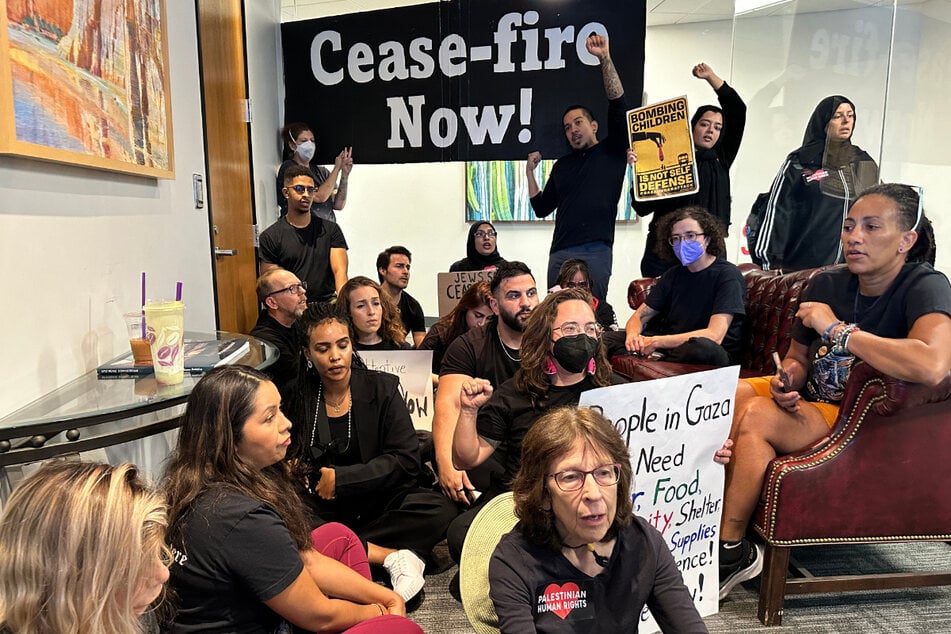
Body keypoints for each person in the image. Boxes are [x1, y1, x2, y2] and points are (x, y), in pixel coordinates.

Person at [718, 184, 951, 599]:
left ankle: (730, 550)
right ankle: (694, 522)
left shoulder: (925, 285)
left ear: (906, 240)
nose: (854, 237)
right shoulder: (826, 284)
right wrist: (786, 379)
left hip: (865, 425)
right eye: (848, 226)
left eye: (871, 226)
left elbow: (931, 365)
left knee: (758, 416)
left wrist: (836, 329)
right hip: (816, 406)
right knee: (726, 395)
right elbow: (797, 359)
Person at [163, 365, 418, 633]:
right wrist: (379, 613)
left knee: (337, 537)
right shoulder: (241, 517)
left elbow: (307, 559)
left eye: (280, 410)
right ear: (230, 436)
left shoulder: (202, 480)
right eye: (269, 418)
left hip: (263, 610)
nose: (287, 424)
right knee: (403, 630)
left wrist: (388, 597)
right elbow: (320, 616)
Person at [489, 406, 729, 633]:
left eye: (604, 472)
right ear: (543, 494)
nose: (594, 493)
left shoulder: (643, 541)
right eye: (571, 477)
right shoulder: (514, 561)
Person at [286, 303, 460, 602]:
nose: (335, 356)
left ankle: (341, 551)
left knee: (438, 509)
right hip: (323, 507)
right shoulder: (295, 395)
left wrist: (344, 478)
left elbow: (405, 459)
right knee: (285, 517)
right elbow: (287, 458)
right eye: (323, 348)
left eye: (342, 345)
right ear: (307, 354)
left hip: (381, 499)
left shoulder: (382, 388)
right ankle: (391, 556)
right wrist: (294, 468)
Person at [448, 287, 624, 562]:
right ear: (545, 337)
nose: (583, 336)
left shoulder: (616, 392)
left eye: (590, 329)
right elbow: (465, 458)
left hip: (594, 503)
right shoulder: (514, 395)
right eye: (570, 328)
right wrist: (469, 411)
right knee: (462, 535)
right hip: (527, 505)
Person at [0, 462, 169, 633]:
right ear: (69, 581)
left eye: (158, 555)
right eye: (135, 565)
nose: (163, 574)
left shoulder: (136, 615)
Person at [526, 33, 630, 304]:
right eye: (567, 127)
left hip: (597, 248)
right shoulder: (563, 166)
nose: (572, 129)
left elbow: (618, 104)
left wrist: (605, 58)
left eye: (578, 122)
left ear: (593, 126)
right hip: (560, 250)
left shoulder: (613, 150)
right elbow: (541, 208)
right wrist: (529, 174)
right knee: (555, 315)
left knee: (591, 313)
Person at [432, 261, 539, 509]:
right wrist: (446, 463)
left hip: (535, 445)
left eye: (531, 293)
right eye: (514, 295)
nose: (526, 303)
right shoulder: (469, 346)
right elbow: (449, 403)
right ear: (495, 305)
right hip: (484, 442)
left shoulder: (550, 341)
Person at [629, 63, 747, 277]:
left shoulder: (722, 158)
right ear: (691, 128)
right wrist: (639, 170)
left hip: (709, 252)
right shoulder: (669, 158)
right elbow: (642, 207)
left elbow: (738, 110)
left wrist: (711, 77)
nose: (711, 130)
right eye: (704, 124)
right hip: (665, 253)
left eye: (718, 127)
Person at [750, 95, 879, 271]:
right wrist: (769, 264)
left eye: (850, 115)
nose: (845, 121)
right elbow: (777, 211)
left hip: (849, 271)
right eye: (837, 116)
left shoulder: (862, 161)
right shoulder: (801, 160)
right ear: (824, 121)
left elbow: (877, 210)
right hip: (801, 269)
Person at [624, 207, 745, 366]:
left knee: (702, 348)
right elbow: (640, 316)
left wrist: (656, 342)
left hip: (709, 352)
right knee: (608, 339)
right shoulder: (673, 275)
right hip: (673, 347)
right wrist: (633, 338)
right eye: (676, 238)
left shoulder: (727, 275)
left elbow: (714, 335)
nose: (683, 243)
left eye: (690, 236)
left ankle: (659, 360)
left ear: (707, 239)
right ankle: (657, 360)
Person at [260, 164, 349, 303]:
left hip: (326, 303)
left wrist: (345, 306)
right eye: (299, 189)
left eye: (311, 190)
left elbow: (340, 273)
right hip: (290, 306)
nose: (306, 195)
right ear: (286, 192)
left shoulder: (331, 230)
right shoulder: (271, 236)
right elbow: (271, 283)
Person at [277, 122, 353, 222]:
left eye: (312, 141)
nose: (310, 145)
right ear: (292, 145)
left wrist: (344, 175)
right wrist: (337, 168)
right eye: (304, 141)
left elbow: (338, 205)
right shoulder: (289, 168)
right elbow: (319, 197)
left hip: (326, 233)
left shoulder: (322, 172)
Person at [250, 267, 308, 394]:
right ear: (272, 302)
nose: (302, 291)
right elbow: (302, 375)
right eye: (292, 288)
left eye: (301, 285)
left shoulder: (297, 321)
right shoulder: (265, 341)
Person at [419, 281, 493, 374]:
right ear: (465, 309)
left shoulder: (494, 334)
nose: (482, 323)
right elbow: (417, 370)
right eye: (478, 315)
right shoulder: (441, 332)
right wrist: (448, 382)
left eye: (489, 318)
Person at [338, 276, 411, 351]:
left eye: (376, 303)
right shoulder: (340, 351)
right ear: (347, 311)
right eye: (361, 306)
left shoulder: (400, 348)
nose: (371, 312)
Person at [377, 246, 426, 347]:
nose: (406, 272)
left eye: (407, 267)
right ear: (382, 270)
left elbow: (421, 343)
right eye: (399, 266)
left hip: (399, 357)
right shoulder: (370, 300)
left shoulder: (413, 306)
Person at [553, 258, 618, 330]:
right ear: (561, 286)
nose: (577, 289)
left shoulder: (604, 309)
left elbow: (612, 334)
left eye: (582, 285)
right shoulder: (551, 308)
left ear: (589, 285)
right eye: (571, 285)